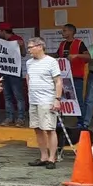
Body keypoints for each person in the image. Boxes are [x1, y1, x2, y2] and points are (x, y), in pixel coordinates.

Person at [25, 37, 63, 169]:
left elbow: (58, 81)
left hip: (47, 100)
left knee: (49, 129)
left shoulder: (51, 62)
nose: (29, 50)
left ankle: (52, 158)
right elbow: (28, 77)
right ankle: (43, 156)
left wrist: (57, 99)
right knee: (37, 128)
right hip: (33, 100)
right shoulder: (29, 63)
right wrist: (29, 91)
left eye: (31, 47)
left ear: (40, 46)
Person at [57, 23, 90, 118]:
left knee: (78, 100)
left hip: (76, 76)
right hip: (64, 76)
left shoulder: (79, 43)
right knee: (62, 99)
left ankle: (81, 122)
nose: (62, 32)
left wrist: (76, 55)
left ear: (71, 32)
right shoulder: (62, 44)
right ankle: (62, 120)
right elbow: (57, 55)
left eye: (64, 30)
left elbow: (88, 57)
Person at [0, 23, 27, 127]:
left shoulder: (17, 39)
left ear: (3, 31)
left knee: (18, 96)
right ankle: (9, 118)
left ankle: (21, 118)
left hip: (14, 72)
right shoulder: (0, 41)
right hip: (4, 71)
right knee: (7, 96)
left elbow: (24, 54)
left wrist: (21, 45)